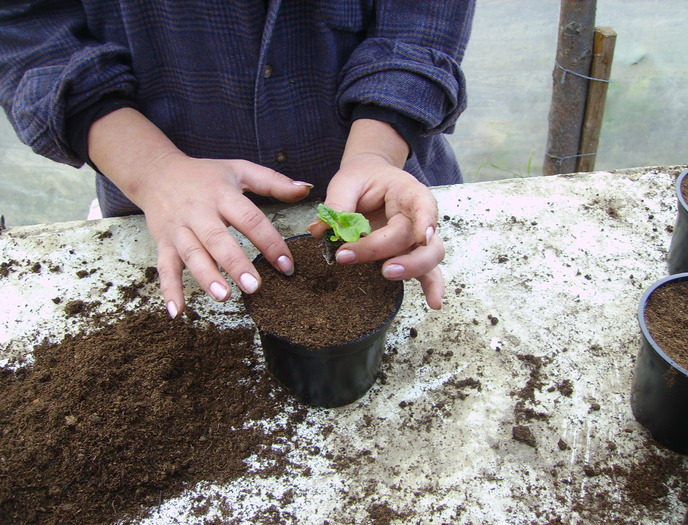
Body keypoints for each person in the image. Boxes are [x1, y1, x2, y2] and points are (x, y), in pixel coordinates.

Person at [0, 1, 475, 317]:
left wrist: (375, 152)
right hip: (163, 201)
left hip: (378, 183)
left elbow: (423, 23)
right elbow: (27, 33)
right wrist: (152, 171)